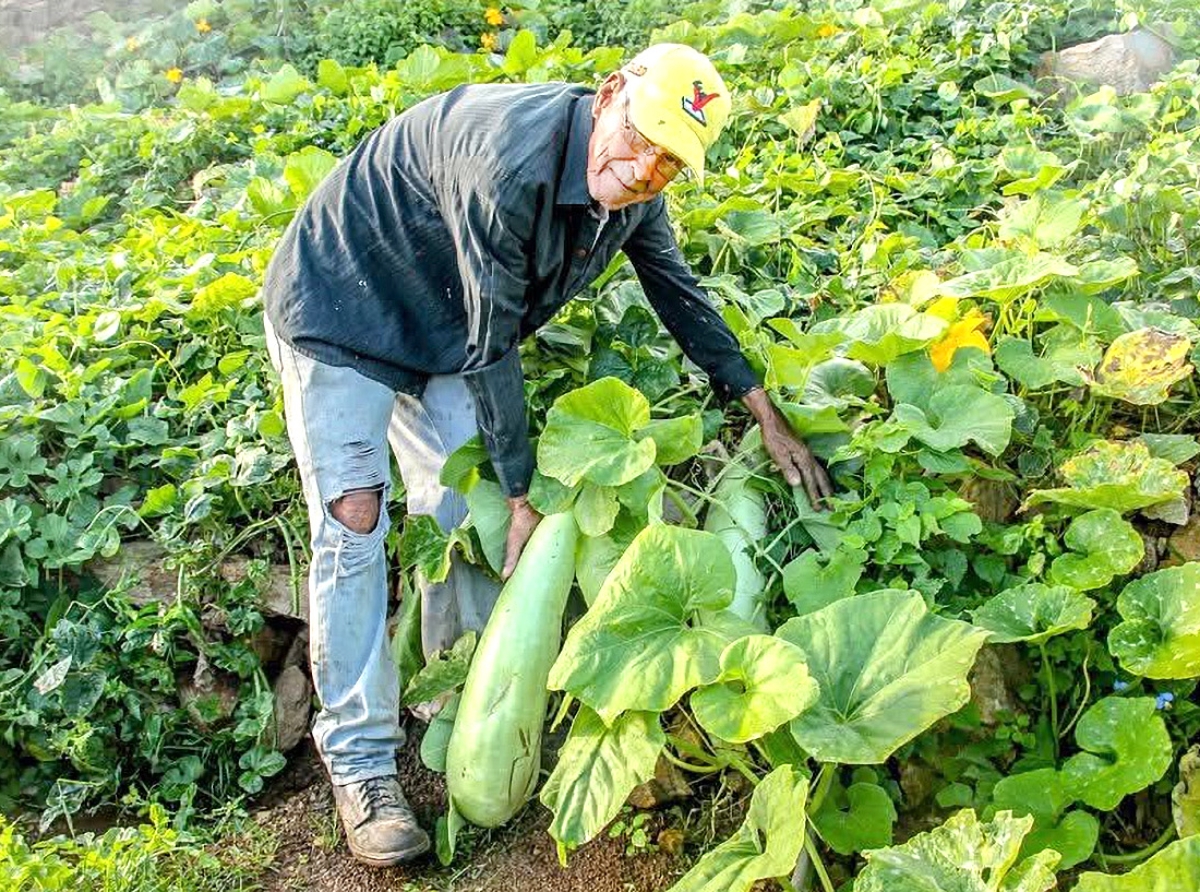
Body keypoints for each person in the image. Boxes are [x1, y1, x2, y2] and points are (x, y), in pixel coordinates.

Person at [260, 43, 833, 867]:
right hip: (342, 304)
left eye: (669, 162)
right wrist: (523, 491)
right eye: (639, 141)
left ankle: (457, 693)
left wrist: (763, 410)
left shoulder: (635, 195)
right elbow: (493, 345)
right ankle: (359, 763)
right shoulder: (507, 158)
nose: (642, 169)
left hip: (440, 320)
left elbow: (680, 297)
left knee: (461, 505)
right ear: (609, 97)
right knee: (355, 517)